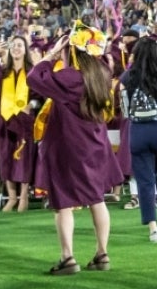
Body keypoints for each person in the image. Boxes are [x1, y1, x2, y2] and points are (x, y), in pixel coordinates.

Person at [27, 26, 123, 274]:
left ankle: (67, 257)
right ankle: (102, 254)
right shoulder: (102, 72)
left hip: (68, 145)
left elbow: (34, 78)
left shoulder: (71, 77)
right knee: (96, 200)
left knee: (64, 203)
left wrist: (50, 57)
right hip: (96, 143)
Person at [119, 37, 157, 243]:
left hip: (137, 133)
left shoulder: (126, 78)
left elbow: (125, 111)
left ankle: (152, 229)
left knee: (144, 181)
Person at [0, 37, 38, 212]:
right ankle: (11, 196)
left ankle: (23, 197)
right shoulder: (2, 70)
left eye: (20, 45)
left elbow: (39, 96)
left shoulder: (31, 71)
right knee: (5, 155)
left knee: (24, 156)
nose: (16, 48)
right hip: (4, 118)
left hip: (24, 119)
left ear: (25, 50)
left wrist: (31, 105)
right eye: (14, 45)